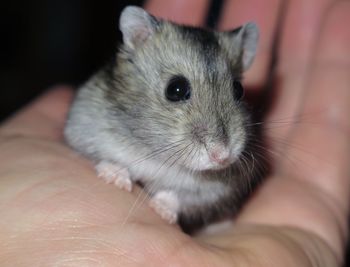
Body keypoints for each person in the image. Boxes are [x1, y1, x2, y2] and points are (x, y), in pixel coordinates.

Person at [0, 0, 349, 266]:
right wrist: (107, 161)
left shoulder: (227, 166)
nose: (219, 146)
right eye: (179, 91)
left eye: (234, 92)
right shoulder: (101, 110)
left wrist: (178, 200)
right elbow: (79, 130)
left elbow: (222, 188)